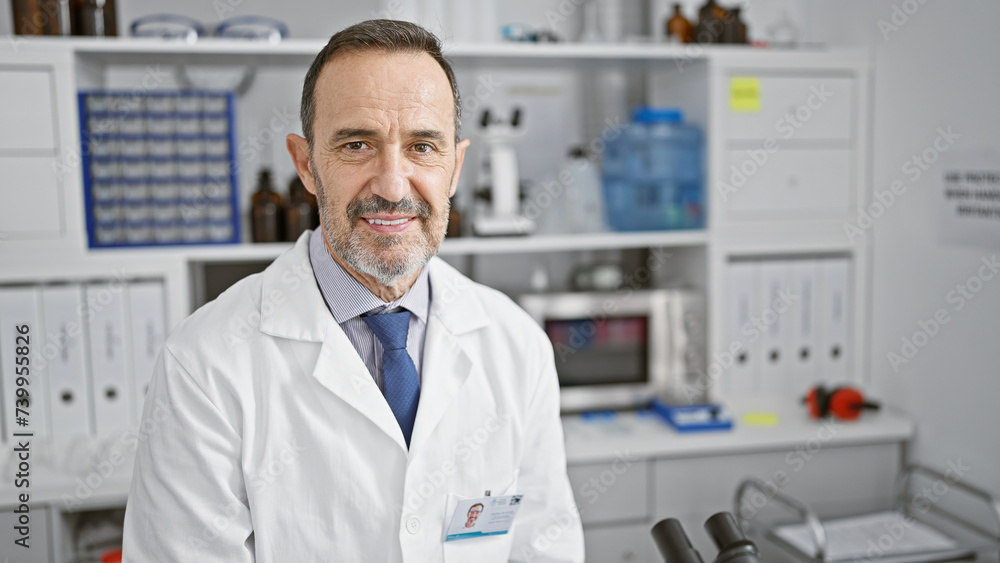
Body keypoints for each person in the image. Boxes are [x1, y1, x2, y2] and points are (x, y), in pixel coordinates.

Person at [122, 19, 584, 563]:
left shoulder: (517, 346)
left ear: (455, 167)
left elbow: (543, 549)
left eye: (423, 147)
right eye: (357, 144)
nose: (392, 185)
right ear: (306, 165)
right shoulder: (204, 365)